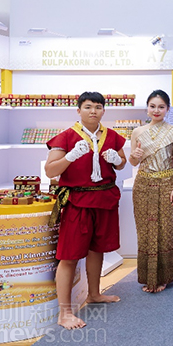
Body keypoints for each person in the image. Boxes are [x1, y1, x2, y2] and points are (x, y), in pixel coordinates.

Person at [45, 91, 127, 329]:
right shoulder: (66, 137)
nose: (93, 111)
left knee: (97, 249)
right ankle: (64, 313)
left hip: (105, 199)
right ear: (78, 110)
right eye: (88, 106)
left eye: (98, 107)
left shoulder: (112, 136)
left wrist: (117, 160)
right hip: (78, 201)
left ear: (104, 111)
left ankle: (94, 293)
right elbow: (50, 171)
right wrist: (70, 157)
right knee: (69, 255)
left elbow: (122, 163)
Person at [129, 90, 173, 294]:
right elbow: (132, 161)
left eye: (161, 107)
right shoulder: (137, 132)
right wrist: (134, 155)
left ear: (167, 109)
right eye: (152, 106)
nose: (156, 110)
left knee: (166, 231)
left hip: (167, 183)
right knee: (145, 231)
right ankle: (148, 277)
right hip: (143, 185)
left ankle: (164, 277)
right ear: (147, 108)